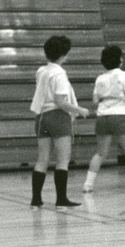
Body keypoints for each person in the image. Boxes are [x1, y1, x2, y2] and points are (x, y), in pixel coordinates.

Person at [29, 35, 89, 208]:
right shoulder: (60, 74)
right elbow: (61, 101)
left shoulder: (41, 71)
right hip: (58, 117)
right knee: (63, 159)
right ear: (64, 54)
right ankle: (61, 198)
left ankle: (36, 199)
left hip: (42, 117)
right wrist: (80, 110)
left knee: (42, 159)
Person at [83, 45, 125, 194]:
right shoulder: (124, 75)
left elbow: (95, 101)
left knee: (100, 153)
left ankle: (88, 184)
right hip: (120, 115)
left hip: (102, 117)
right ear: (119, 59)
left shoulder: (99, 78)